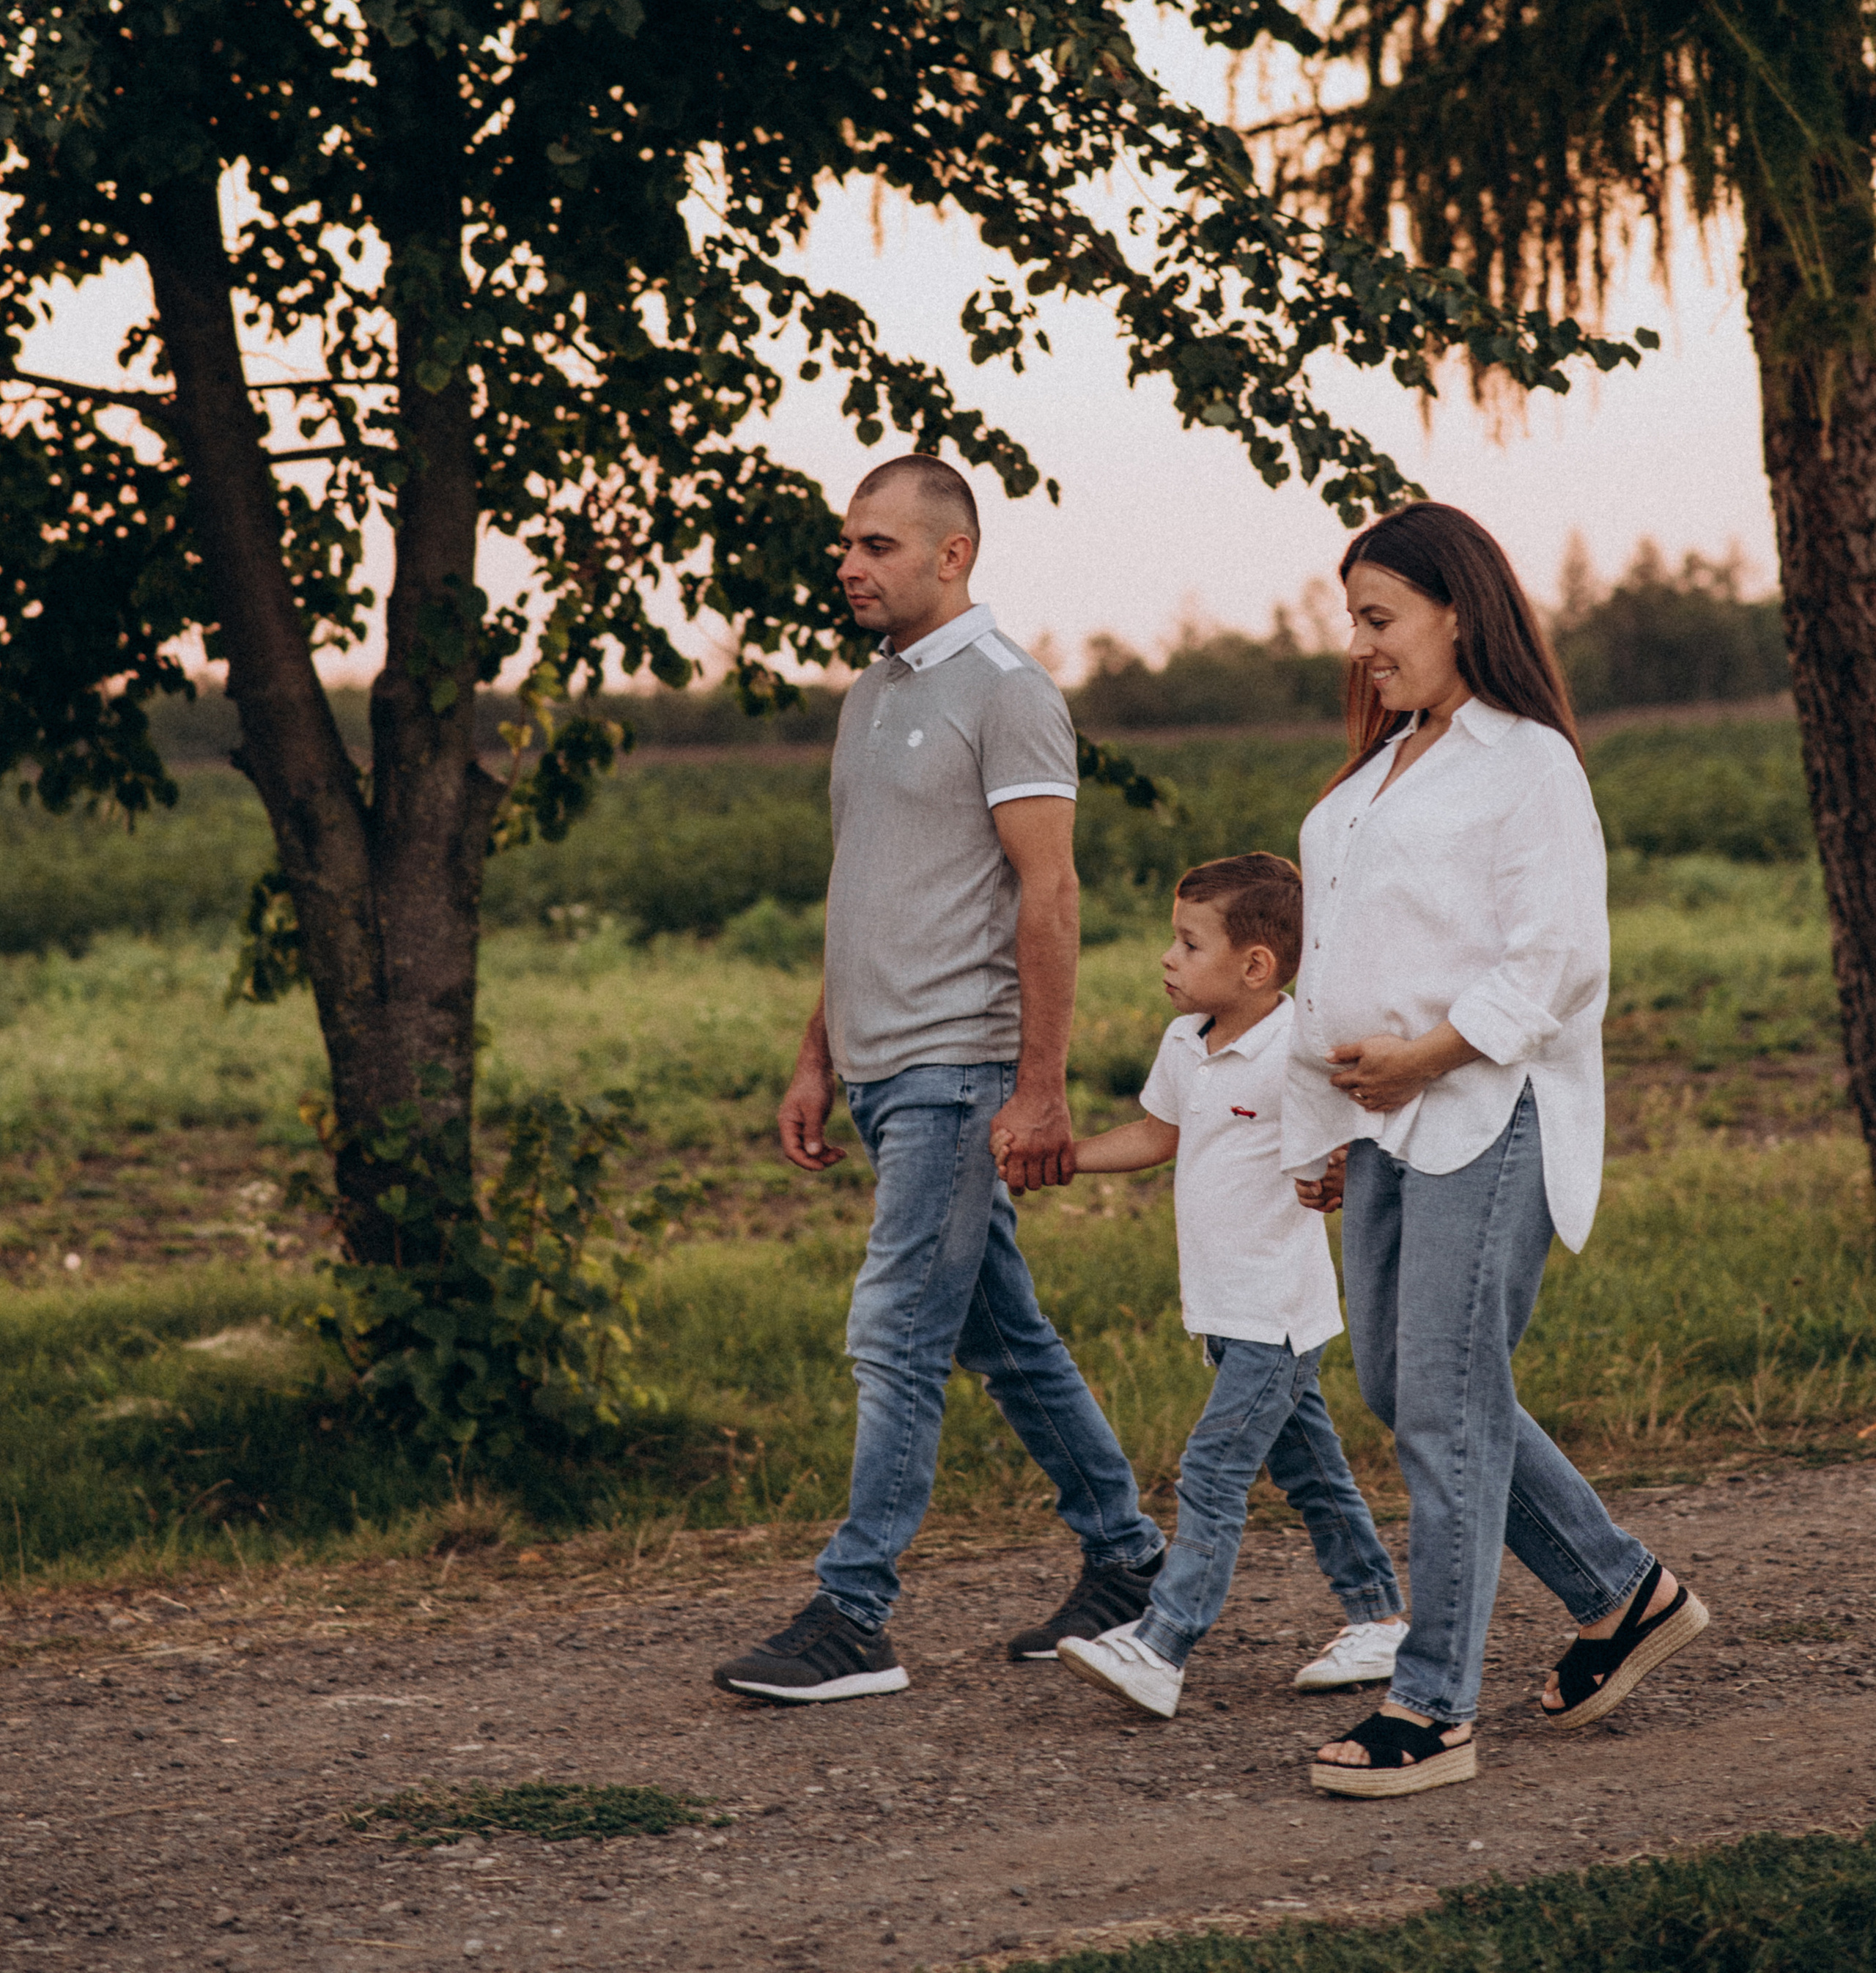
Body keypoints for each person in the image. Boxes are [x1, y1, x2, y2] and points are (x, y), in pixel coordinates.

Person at [712, 456, 1166, 1704]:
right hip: (878, 1067)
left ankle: (854, 1612)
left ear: (951, 553)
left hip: (960, 1069)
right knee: (1000, 1334)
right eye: (845, 547)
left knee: (896, 1322)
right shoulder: (869, 698)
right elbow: (865, 889)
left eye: (875, 545)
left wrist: (1042, 1085)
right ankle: (1130, 1561)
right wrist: (818, 1054)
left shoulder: (1009, 692)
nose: (849, 566)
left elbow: (1051, 890)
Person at [1285, 501, 1710, 1800]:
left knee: (1449, 1403)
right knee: (1404, 1388)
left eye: (1380, 618)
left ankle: (1433, 1703)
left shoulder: (1526, 764)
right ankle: (1620, 1589)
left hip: (1487, 1110)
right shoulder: (1379, 774)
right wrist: (1334, 1125)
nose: (1360, 646)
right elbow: (1333, 965)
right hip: (1386, 1123)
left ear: (1458, 609)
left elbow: (1562, 958)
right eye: (1350, 622)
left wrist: (1427, 1055)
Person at [1013, 853, 1407, 1721]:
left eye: (1189, 944)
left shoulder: (1299, 1048)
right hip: (1222, 1309)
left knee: (1212, 1469)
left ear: (1255, 966)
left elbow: (1366, 1127)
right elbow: (1159, 1135)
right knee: (1312, 1477)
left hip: (1278, 1309)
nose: (1167, 958)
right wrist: (1063, 1160)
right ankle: (1378, 1616)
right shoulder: (1184, 1044)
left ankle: (1163, 1640)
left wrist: (1341, 1168)